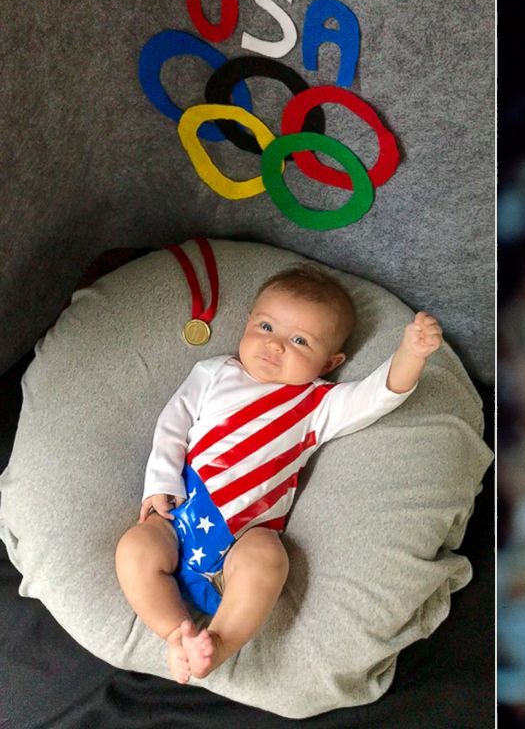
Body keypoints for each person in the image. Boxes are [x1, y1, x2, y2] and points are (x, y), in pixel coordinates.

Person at [115, 263, 443, 684]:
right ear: (248, 322)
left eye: (300, 341)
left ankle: (217, 645)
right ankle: (176, 635)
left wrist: (411, 354)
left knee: (269, 557)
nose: (275, 346)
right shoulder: (215, 373)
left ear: (330, 362)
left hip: (241, 545)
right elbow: (173, 424)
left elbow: (375, 397)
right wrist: (160, 482)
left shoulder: (316, 405)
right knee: (135, 547)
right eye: (266, 326)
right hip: (179, 519)